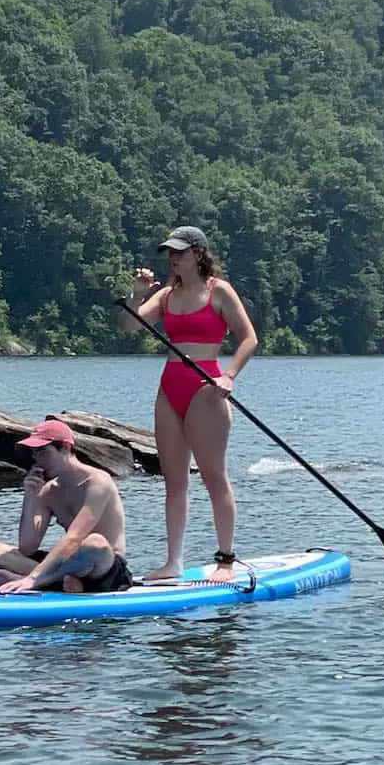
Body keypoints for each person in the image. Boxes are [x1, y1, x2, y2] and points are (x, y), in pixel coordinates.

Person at [119, 225, 258, 583]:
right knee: (174, 482)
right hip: (170, 386)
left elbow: (249, 339)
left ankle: (225, 560)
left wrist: (229, 377)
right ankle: (172, 563)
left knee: (214, 478)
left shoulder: (219, 291)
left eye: (180, 252)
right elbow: (129, 327)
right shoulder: (166, 295)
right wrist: (137, 295)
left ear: (198, 253)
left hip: (206, 389)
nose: (174, 258)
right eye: (170, 253)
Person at [0, 419, 133, 594]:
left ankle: (44, 581)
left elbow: (75, 536)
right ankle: (61, 582)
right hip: (69, 563)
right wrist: (30, 497)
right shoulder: (49, 492)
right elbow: (27, 547)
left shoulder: (98, 482)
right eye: (35, 454)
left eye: (43, 452)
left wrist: (32, 578)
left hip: (104, 566)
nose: (37, 460)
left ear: (65, 448)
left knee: (94, 543)